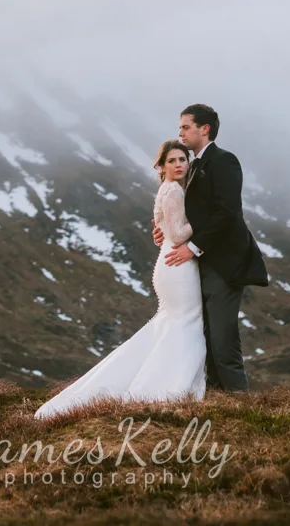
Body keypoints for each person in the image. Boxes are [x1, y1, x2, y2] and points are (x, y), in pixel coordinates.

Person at [33, 140, 207, 420]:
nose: (179, 165)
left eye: (182, 160)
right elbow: (176, 235)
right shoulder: (174, 190)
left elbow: (163, 230)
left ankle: (157, 378)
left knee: (174, 322)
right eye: (172, 161)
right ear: (162, 166)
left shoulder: (167, 190)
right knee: (186, 321)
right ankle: (167, 386)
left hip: (169, 264)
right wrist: (204, 222)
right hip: (178, 265)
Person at [159, 103, 269, 391]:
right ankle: (219, 401)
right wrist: (165, 230)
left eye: (185, 126)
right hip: (204, 264)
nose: (180, 132)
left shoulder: (224, 161)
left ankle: (241, 405)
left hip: (224, 264)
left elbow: (227, 212)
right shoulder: (193, 166)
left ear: (204, 129)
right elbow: (185, 208)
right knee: (206, 338)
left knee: (223, 340)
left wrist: (192, 247)